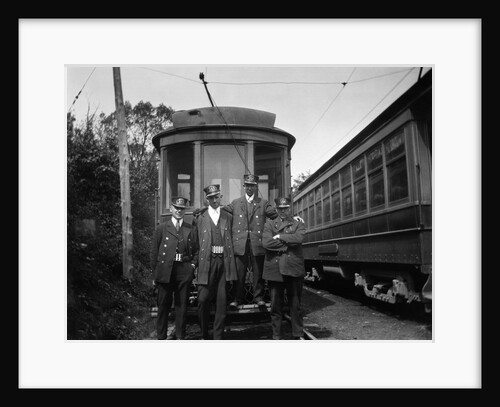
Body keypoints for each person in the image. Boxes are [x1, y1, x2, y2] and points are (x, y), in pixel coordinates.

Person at [223, 174, 278, 309]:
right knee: (239, 273)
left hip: (257, 243)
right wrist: (205, 210)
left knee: (258, 273)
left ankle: (258, 298)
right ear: (244, 187)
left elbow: (276, 215)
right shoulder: (236, 203)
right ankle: (237, 299)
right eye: (247, 185)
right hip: (240, 244)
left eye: (252, 186)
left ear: (256, 187)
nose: (249, 188)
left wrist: (292, 219)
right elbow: (220, 210)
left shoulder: (263, 203)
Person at [150, 196, 199, 340]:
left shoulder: (190, 228)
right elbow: (154, 252)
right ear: (171, 209)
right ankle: (161, 337)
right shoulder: (162, 228)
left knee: (181, 307)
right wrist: (155, 275)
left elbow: (197, 251)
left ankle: (180, 337)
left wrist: (192, 266)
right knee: (163, 306)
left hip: (184, 270)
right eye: (176, 208)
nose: (179, 211)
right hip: (165, 271)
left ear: (185, 210)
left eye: (182, 209)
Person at [193, 184, 237, 340]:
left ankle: (217, 337)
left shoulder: (228, 217)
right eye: (211, 198)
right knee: (203, 300)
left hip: (223, 264)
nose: (214, 200)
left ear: (221, 197)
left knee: (221, 302)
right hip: (207, 263)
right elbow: (195, 244)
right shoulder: (200, 218)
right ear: (207, 200)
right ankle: (204, 334)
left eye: (216, 197)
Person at [262, 196, 306, 340]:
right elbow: (266, 243)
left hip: (293, 267)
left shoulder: (298, 223)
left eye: (285, 208)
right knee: (276, 306)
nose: (283, 211)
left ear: (290, 208)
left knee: (295, 304)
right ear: (276, 209)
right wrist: (288, 243)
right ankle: (277, 335)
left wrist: (280, 236)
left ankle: (297, 334)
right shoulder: (269, 224)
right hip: (275, 269)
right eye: (280, 208)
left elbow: (299, 239)